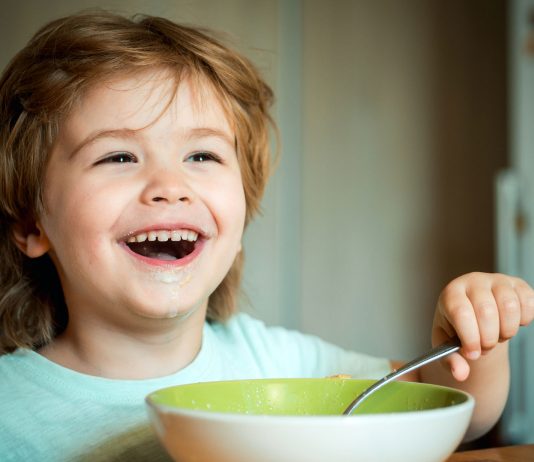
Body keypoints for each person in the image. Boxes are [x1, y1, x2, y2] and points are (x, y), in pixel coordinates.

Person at [0, 10, 532, 462]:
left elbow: (447, 407)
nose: (170, 186)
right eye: (118, 156)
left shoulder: (276, 364)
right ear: (32, 224)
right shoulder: (10, 409)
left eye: (201, 156)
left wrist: (473, 342)